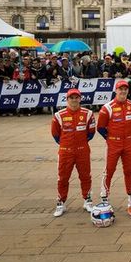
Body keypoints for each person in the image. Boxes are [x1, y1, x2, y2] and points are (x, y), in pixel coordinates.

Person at [51, 88, 95, 217]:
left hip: (83, 151)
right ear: (67, 99)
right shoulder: (59, 115)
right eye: (72, 98)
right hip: (65, 151)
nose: (74, 100)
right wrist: (67, 145)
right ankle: (61, 202)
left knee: (85, 176)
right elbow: (55, 135)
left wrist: (80, 144)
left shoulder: (88, 113)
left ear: (80, 99)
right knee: (63, 178)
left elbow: (91, 133)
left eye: (77, 97)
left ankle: (87, 200)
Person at [97, 80, 131, 203]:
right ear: (116, 90)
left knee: (129, 169)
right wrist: (110, 138)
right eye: (120, 89)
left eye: (125, 89)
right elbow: (100, 127)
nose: (123, 91)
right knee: (109, 169)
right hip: (113, 143)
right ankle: (104, 194)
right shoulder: (107, 107)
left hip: (128, 143)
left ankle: (130, 192)